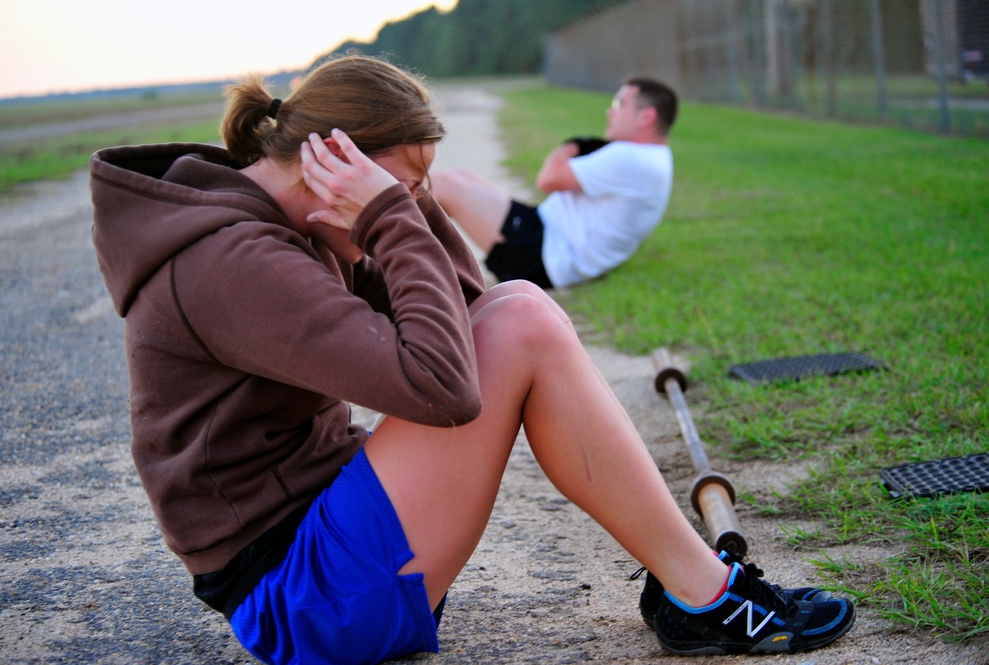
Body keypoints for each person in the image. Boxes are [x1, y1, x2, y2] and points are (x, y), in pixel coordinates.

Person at [89, 54, 854, 665]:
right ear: (335, 165)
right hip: (301, 599)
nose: (415, 201)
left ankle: (697, 588)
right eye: (407, 182)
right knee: (521, 317)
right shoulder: (235, 261)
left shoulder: (296, 228)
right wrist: (387, 211)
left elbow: (465, 311)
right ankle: (706, 595)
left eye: (420, 189)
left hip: (329, 550)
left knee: (516, 309)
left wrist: (402, 203)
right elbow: (446, 384)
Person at [430, 77, 676, 289]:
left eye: (619, 104)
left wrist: (574, 144)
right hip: (551, 240)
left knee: (442, 185)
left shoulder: (630, 156)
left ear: (647, 116)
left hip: (543, 256)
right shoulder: (655, 157)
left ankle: (415, 273)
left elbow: (548, 179)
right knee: (459, 176)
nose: (610, 111)